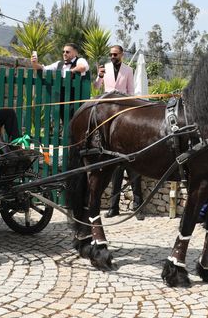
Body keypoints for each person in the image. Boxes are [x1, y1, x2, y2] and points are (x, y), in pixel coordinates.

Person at [96, 45, 143, 219]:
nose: (112, 57)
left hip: (124, 113)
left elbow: (131, 92)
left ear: (122, 55)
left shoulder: (128, 70)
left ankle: (138, 207)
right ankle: (113, 208)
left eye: (115, 54)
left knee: (134, 169)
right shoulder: (104, 69)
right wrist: (99, 77)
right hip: (107, 114)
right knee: (115, 170)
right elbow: (96, 86)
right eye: (110, 54)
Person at [31, 43, 90, 121]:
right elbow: (43, 69)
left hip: (76, 101)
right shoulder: (59, 64)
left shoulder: (80, 60)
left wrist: (72, 70)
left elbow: (83, 67)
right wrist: (34, 63)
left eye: (67, 52)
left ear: (75, 53)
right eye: (63, 52)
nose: (64, 54)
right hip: (61, 101)